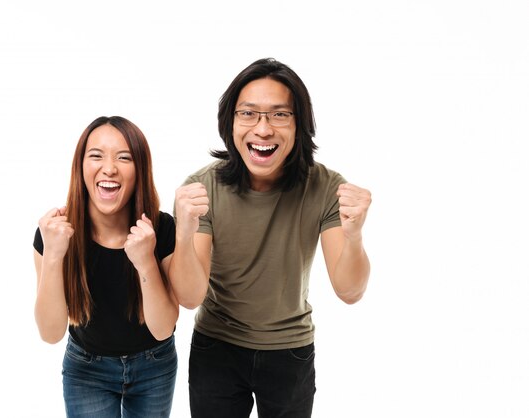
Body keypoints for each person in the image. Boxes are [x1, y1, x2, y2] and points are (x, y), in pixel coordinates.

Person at [170, 58, 372, 418]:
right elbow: (188, 297)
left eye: (280, 115)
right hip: (217, 347)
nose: (262, 129)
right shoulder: (201, 188)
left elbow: (350, 291)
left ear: (299, 125)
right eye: (249, 114)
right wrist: (183, 234)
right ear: (230, 123)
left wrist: (354, 235)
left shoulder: (326, 188)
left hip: (290, 350)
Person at [33, 116, 180, 417]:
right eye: (96, 156)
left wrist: (145, 261)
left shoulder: (162, 228)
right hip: (86, 370)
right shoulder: (55, 232)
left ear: (140, 169)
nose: (109, 168)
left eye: (123, 157)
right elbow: (50, 333)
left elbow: (164, 328)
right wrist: (53, 256)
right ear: (81, 167)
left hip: (154, 365)